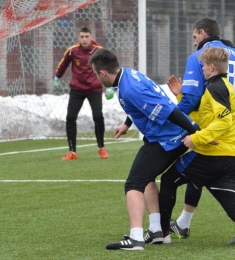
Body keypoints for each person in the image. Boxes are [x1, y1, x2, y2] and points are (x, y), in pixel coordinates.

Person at [88, 48, 199, 250]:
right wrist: (127, 124)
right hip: (163, 138)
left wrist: (196, 133)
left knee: (133, 183)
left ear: (103, 73)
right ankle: (157, 231)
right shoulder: (128, 75)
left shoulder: (130, 88)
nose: (97, 78)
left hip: (167, 140)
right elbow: (140, 105)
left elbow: (169, 111)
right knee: (145, 176)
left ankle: (136, 238)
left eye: (96, 74)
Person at [167, 17, 235, 239]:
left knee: (178, 175)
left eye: (194, 37)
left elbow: (191, 100)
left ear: (202, 33)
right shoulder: (230, 54)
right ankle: (182, 223)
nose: (194, 43)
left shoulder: (199, 57)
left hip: (214, 127)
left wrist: (172, 120)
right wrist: (230, 50)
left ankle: (161, 229)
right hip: (225, 126)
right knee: (199, 176)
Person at [53, 27, 109, 160]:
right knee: (70, 117)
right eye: (82, 37)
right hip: (77, 89)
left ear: (91, 37)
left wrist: (110, 86)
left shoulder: (99, 51)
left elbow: (107, 68)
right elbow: (63, 64)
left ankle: (101, 148)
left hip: (94, 89)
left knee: (98, 116)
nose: (84, 39)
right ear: (79, 38)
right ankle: (72, 151)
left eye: (86, 36)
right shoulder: (72, 51)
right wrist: (57, 77)